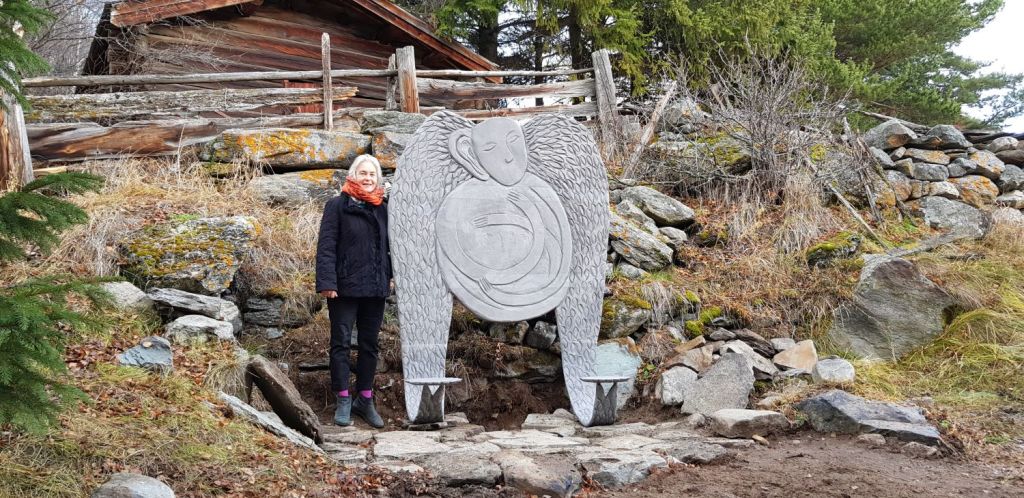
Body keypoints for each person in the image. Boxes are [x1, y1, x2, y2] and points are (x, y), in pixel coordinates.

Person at [315, 154, 390, 428]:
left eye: (372, 174)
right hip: (344, 288)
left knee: (370, 345)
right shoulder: (337, 206)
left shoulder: (383, 209)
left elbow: (392, 247)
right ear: (353, 176)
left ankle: (365, 399)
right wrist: (327, 283)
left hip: (375, 287)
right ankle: (344, 398)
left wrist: (391, 275)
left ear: (377, 178)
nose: (367, 178)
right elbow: (326, 246)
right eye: (363, 173)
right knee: (341, 343)